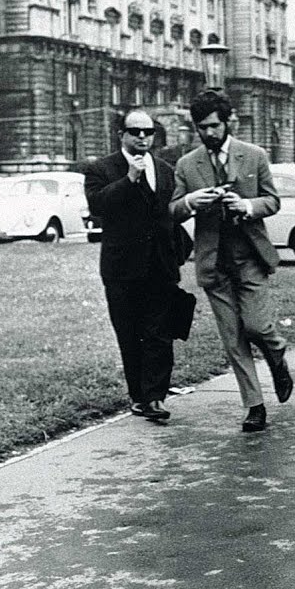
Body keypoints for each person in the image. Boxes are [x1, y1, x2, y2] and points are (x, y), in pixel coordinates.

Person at [171, 90, 292, 434]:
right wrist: (193, 200)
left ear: (228, 122)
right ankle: (254, 406)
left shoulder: (253, 155)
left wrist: (248, 206)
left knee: (256, 326)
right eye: (202, 127)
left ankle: (277, 355)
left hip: (250, 256)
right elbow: (173, 209)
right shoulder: (186, 164)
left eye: (214, 125)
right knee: (233, 338)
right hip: (212, 261)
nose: (209, 133)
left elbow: (272, 200)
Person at [84, 109, 180, 423]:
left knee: (159, 332)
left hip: (160, 265)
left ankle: (154, 397)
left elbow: (168, 213)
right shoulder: (102, 168)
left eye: (148, 132)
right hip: (122, 268)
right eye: (135, 131)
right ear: (121, 134)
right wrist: (129, 180)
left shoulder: (165, 169)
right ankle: (139, 396)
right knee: (129, 334)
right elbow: (97, 206)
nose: (142, 137)